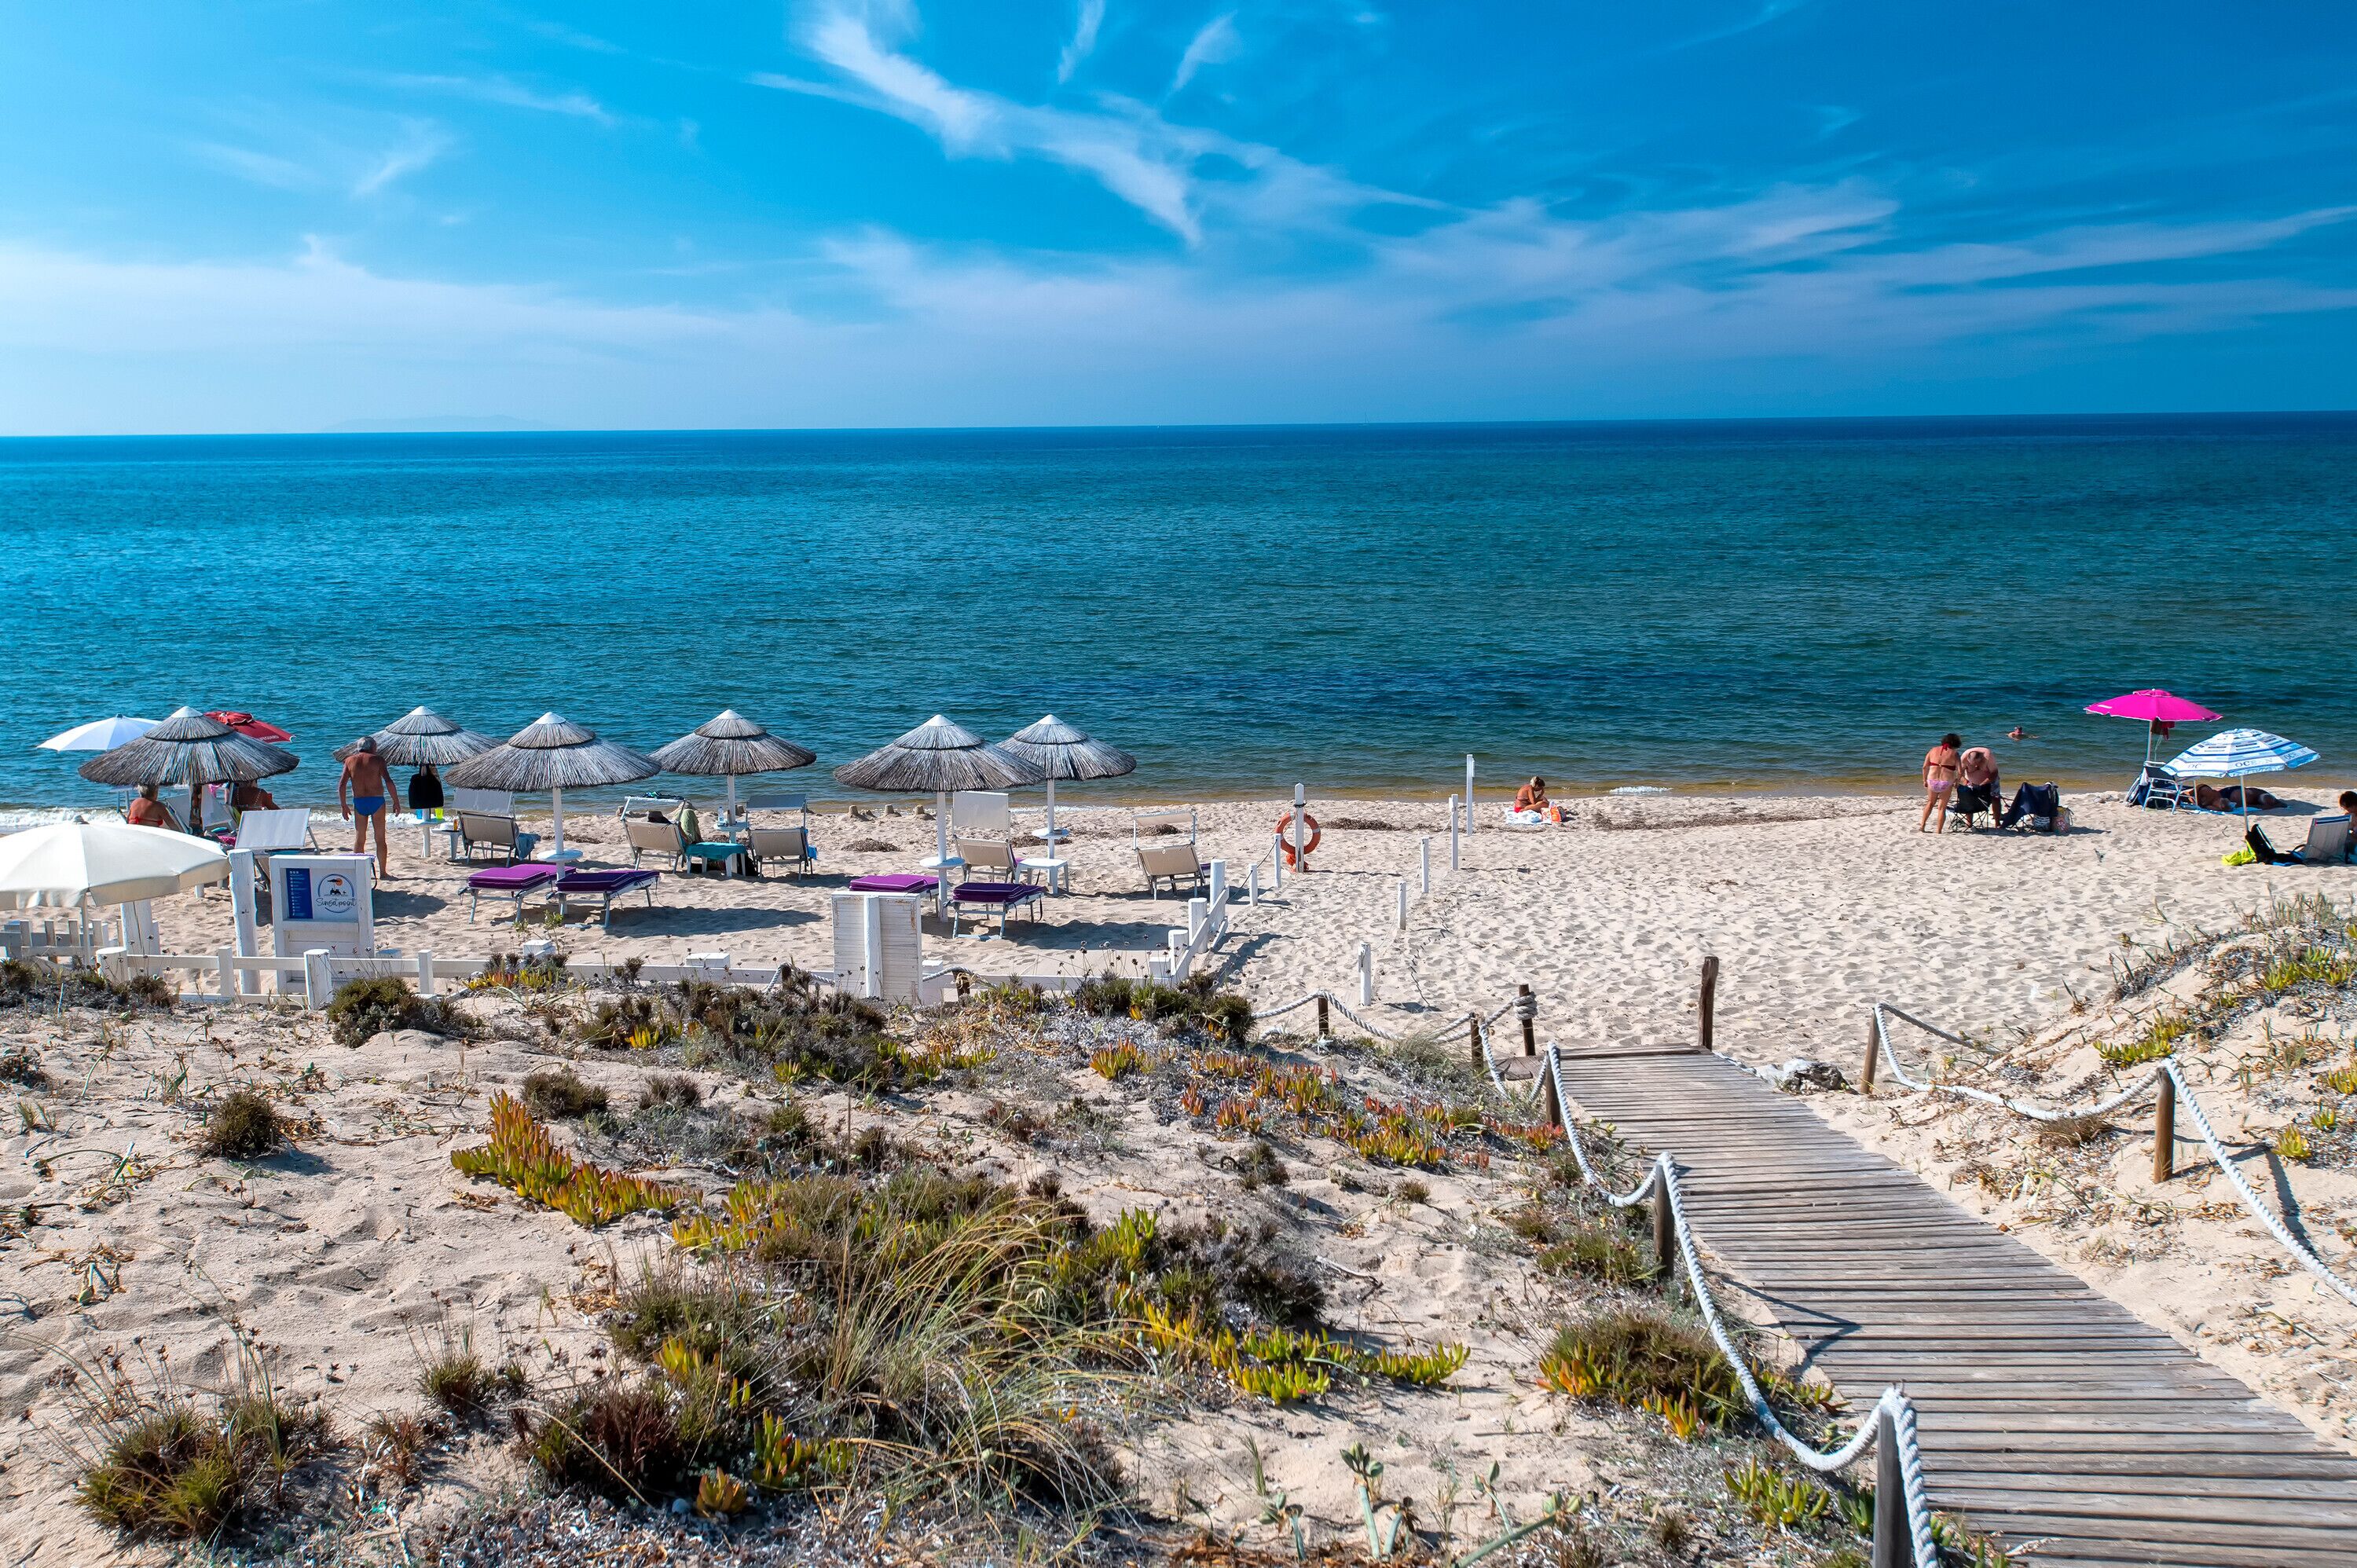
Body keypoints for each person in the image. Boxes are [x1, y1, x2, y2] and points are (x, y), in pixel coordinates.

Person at [339, 737, 401, 878]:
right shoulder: (378, 760)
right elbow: (388, 781)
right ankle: (383, 873)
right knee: (380, 838)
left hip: (359, 802)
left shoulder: (349, 760)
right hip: (377, 801)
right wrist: (396, 801)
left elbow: (342, 784)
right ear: (373, 747)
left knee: (360, 838)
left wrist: (343, 805)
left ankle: (359, 873)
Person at [1919, 733, 1962, 833]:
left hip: (1932, 781)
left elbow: (1925, 767)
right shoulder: (1955, 754)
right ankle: (1938, 830)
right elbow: (1960, 771)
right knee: (1942, 808)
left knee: (1930, 803)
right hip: (1946, 782)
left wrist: (1924, 780)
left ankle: (1923, 825)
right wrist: (1957, 780)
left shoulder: (1933, 750)